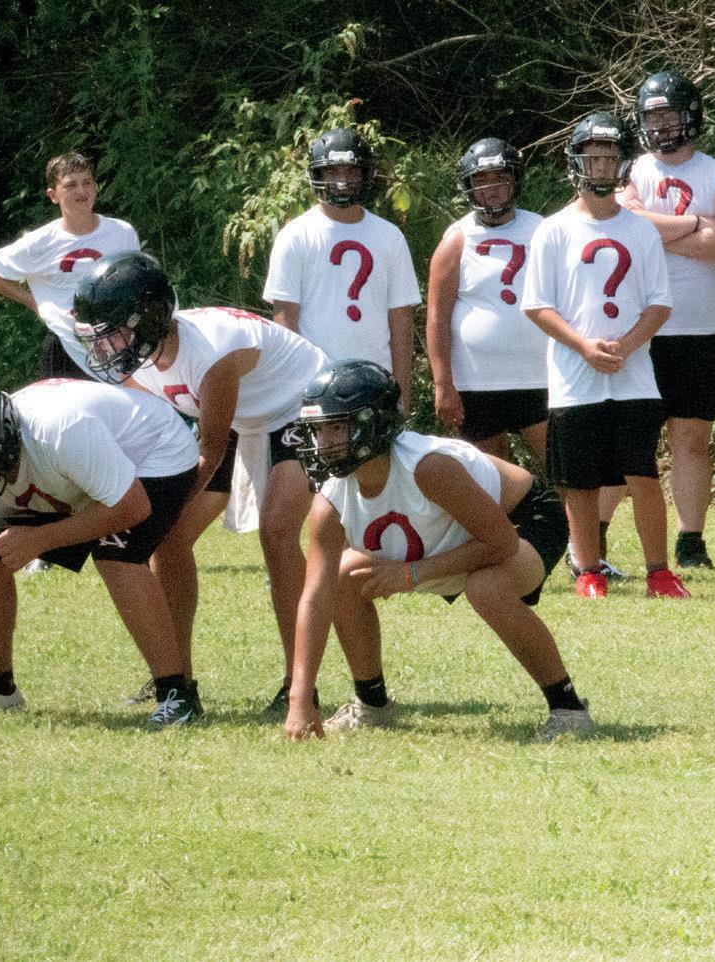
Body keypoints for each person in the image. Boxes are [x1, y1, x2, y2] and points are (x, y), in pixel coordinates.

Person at [72, 251, 328, 716]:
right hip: (240, 418)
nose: (107, 348)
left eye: (114, 333)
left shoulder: (211, 352)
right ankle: (177, 678)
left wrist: (158, 505)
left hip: (300, 405)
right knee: (167, 540)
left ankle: (299, 683)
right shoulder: (143, 358)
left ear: (147, 319)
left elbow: (210, 450)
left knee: (277, 532)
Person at [282, 359, 592, 741]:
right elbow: (314, 597)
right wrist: (300, 698)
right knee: (344, 575)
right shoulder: (330, 502)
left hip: (521, 520)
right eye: (318, 429)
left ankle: (568, 709)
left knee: (487, 588)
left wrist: (411, 573)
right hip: (450, 537)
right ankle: (372, 705)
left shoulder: (428, 468)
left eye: (336, 427)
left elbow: (500, 542)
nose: (323, 443)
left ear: (373, 422)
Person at [0, 374, 203, 726]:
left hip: (155, 453)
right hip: (81, 471)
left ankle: (177, 694)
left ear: (3, 445)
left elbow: (132, 507)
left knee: (117, 554)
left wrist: (40, 539)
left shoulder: (60, 432)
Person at [520, 112, 689, 600]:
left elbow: (659, 303)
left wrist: (627, 346)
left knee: (643, 474)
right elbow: (537, 305)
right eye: (592, 158)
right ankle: (588, 571)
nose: (600, 167)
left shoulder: (641, 230)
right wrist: (583, 347)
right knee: (580, 482)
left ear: (623, 164)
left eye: (609, 158)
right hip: (575, 378)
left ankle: (660, 572)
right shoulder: (553, 230)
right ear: (576, 163)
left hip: (634, 377)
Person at [612, 71, 715, 571]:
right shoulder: (628, 170)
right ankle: (594, 544)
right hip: (641, 326)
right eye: (652, 117)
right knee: (628, 440)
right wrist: (695, 224)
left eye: (669, 115)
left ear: (690, 115)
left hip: (704, 326)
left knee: (692, 440)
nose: (661, 126)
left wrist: (654, 229)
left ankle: (691, 542)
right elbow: (623, 224)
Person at [263, 127, 420, 411]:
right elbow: (285, 322)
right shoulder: (295, 235)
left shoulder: (390, 236)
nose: (342, 180)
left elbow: (401, 320)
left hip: (376, 382)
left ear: (365, 174)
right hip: (315, 384)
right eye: (332, 171)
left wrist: (402, 393)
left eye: (351, 171)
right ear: (317, 174)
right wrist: (293, 395)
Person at [427, 137, 548, 464]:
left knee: (564, 467)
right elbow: (437, 317)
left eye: (500, 178)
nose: (492, 189)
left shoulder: (542, 229)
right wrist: (443, 384)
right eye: (481, 180)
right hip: (477, 380)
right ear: (468, 185)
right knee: (489, 476)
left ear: (515, 180)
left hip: (539, 374)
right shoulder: (457, 239)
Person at [0, 151, 140, 381]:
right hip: (67, 350)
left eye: (87, 183)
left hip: (120, 347)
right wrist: (35, 303)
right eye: (71, 185)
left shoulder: (121, 232)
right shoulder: (40, 243)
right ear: (53, 195)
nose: (81, 191)